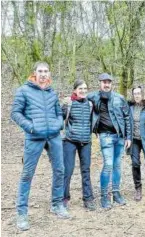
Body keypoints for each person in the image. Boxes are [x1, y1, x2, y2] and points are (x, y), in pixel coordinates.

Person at [11, 61, 70, 231]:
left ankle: (57, 204)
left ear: (49, 74)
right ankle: (22, 213)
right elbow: (15, 112)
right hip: (34, 137)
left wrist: (59, 124)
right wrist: (31, 127)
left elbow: (59, 112)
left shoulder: (52, 92)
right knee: (27, 175)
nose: (43, 74)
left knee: (60, 170)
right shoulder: (24, 90)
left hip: (54, 137)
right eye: (40, 71)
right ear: (34, 73)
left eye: (46, 71)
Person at [87, 73, 131, 209]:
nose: (106, 84)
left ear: (112, 84)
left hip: (119, 137)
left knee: (117, 165)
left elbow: (127, 117)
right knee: (108, 165)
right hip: (105, 136)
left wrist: (128, 136)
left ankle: (116, 192)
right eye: (104, 82)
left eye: (109, 82)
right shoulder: (93, 97)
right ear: (99, 83)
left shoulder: (119, 98)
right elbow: (78, 99)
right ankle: (104, 195)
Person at [62, 79, 96, 211]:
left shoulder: (90, 105)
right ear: (75, 90)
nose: (83, 91)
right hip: (70, 141)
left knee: (86, 170)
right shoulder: (68, 104)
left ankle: (88, 199)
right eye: (80, 88)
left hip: (86, 141)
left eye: (85, 89)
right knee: (68, 170)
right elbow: (59, 117)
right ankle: (64, 198)